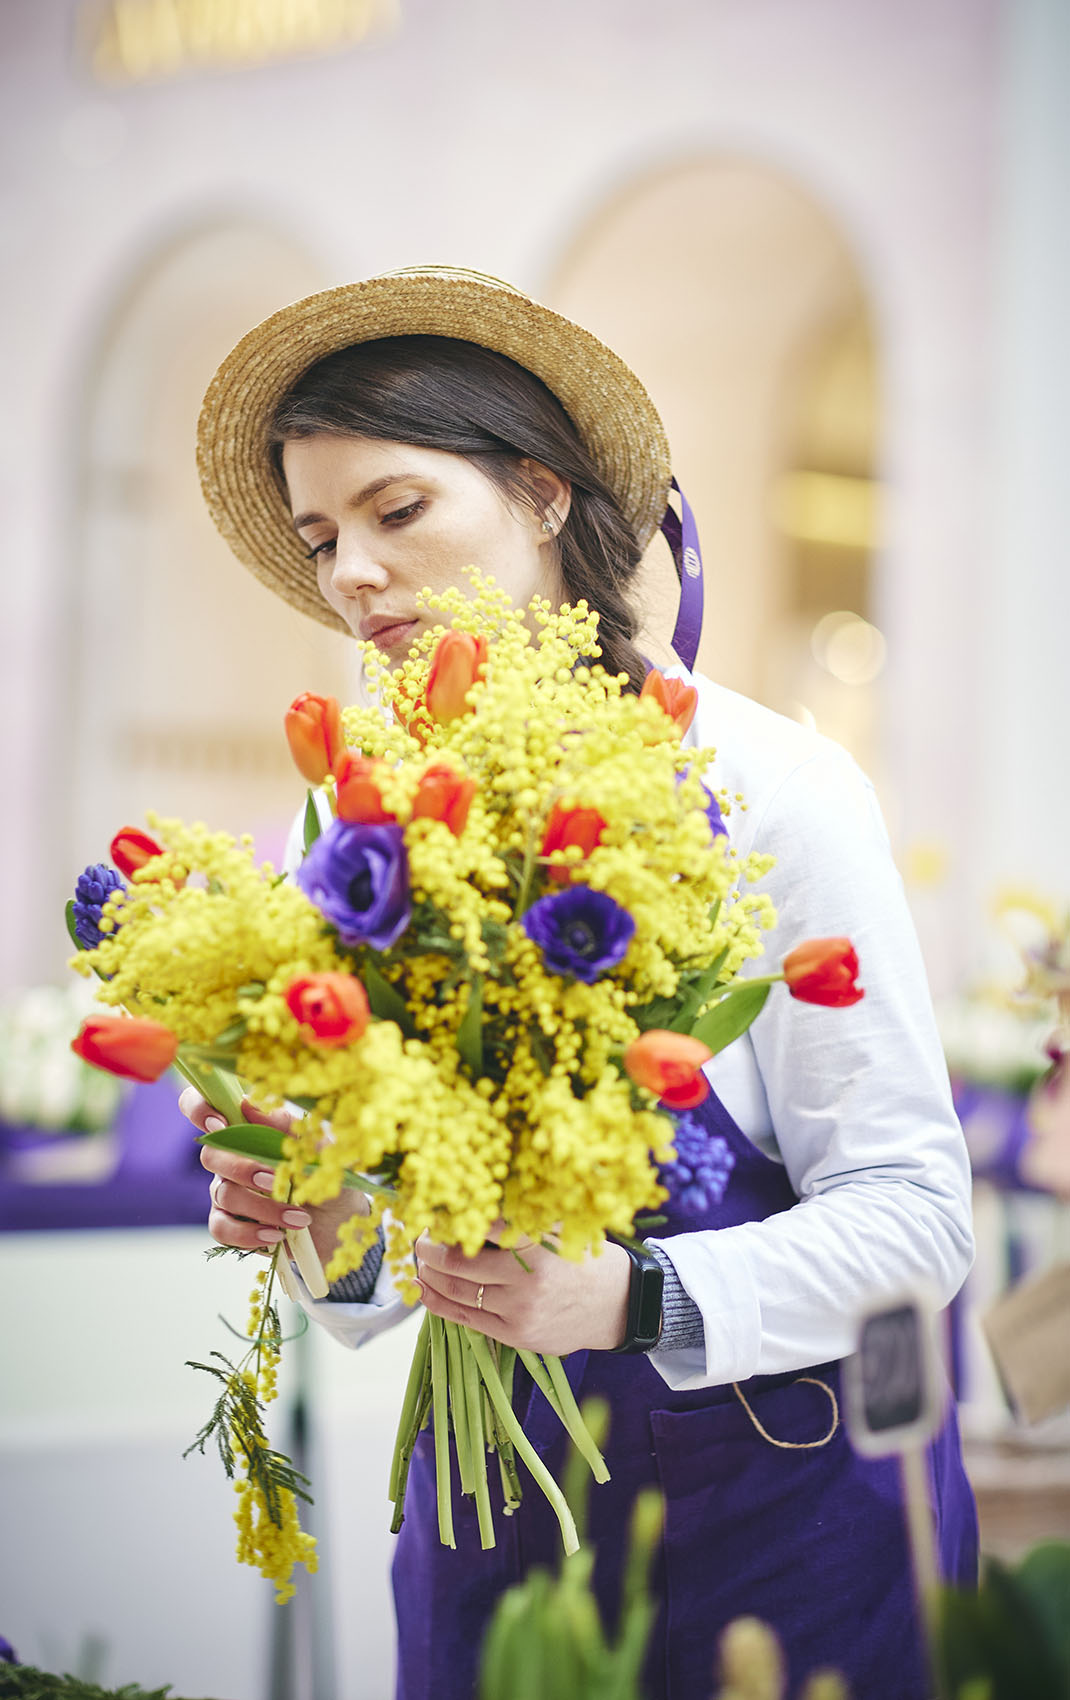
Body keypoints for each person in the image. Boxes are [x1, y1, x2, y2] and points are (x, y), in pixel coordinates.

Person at [188, 266, 977, 1700]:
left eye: (396, 511)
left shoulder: (771, 788)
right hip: (492, 1534)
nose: (349, 574)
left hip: (777, 1545)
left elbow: (918, 1229)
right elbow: (372, 1292)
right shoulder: (350, 823)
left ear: (545, 494)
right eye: (318, 538)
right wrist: (318, 1212)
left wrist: (636, 1298)